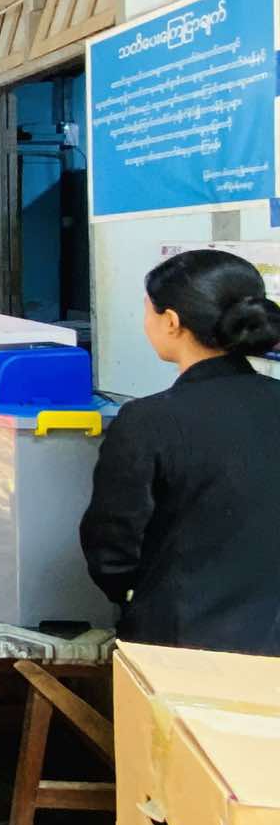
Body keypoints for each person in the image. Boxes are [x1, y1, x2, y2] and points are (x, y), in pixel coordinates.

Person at [80, 249, 280, 655]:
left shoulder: (148, 419)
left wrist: (133, 593)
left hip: (181, 645)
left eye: (148, 311)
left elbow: (111, 544)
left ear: (171, 322)